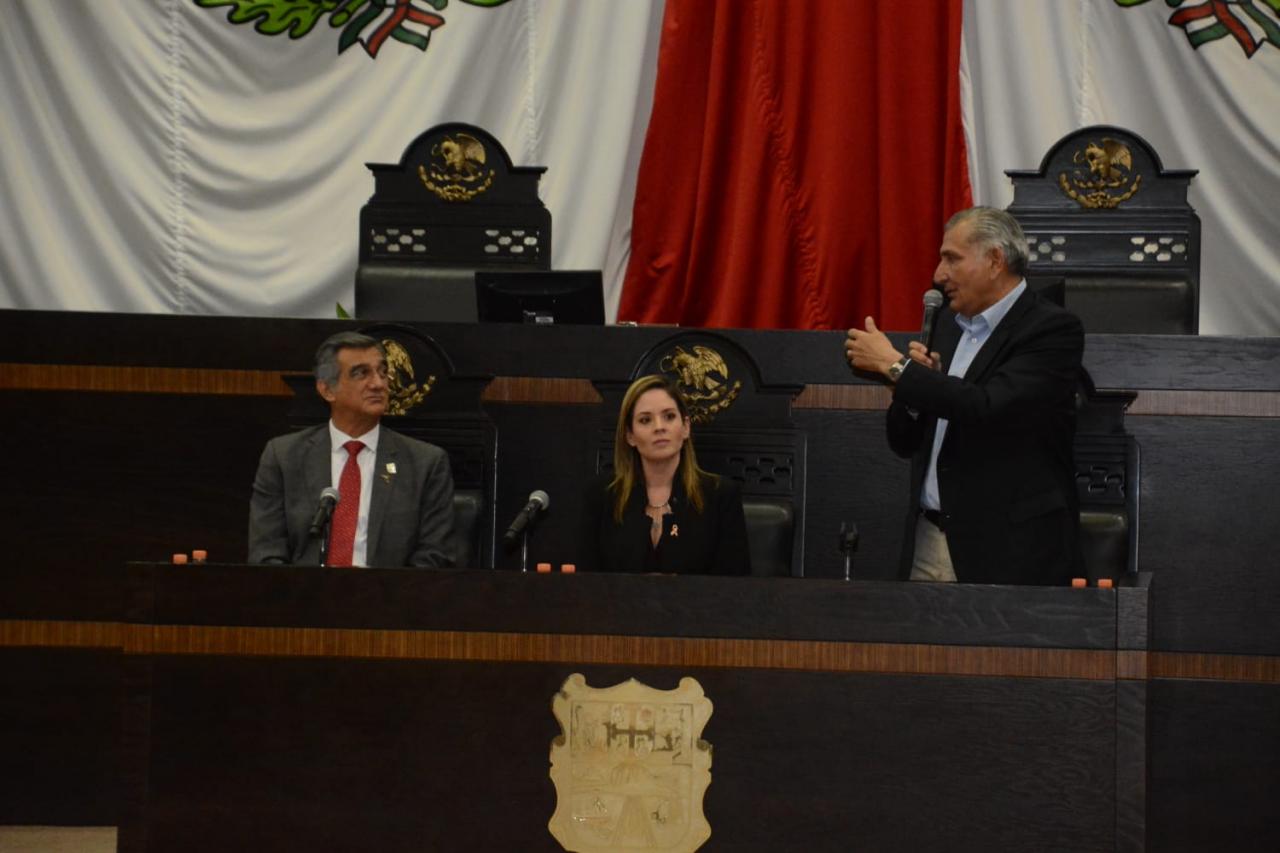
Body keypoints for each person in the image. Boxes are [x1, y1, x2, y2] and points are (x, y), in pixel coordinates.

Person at [844, 206, 1083, 585]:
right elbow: (904, 441)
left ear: (995, 260)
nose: (939, 275)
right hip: (929, 539)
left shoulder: (1052, 329)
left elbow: (988, 407)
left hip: (1009, 552)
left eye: (952, 259)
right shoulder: (947, 325)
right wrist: (912, 392)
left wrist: (896, 367)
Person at [248, 331, 455, 568]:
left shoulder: (425, 463)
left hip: (388, 590)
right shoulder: (284, 456)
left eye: (382, 372)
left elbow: (435, 557)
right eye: (361, 373)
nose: (378, 384)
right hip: (305, 590)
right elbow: (266, 551)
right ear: (327, 390)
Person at [580, 375, 751, 575]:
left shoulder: (721, 495)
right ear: (630, 435)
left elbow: (735, 586)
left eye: (669, 416)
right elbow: (585, 583)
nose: (659, 427)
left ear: (685, 427)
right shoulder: (601, 496)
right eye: (645, 420)